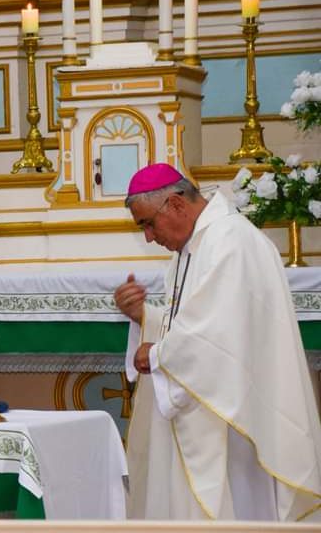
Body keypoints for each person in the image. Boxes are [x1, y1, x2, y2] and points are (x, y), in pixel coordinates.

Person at [113, 163, 321, 521]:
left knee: (238, 507)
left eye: (148, 223)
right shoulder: (195, 245)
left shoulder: (230, 241)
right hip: (217, 407)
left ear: (176, 205)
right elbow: (197, 322)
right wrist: (146, 318)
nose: (149, 236)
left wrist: (160, 355)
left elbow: (216, 336)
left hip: (237, 419)